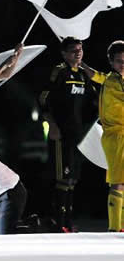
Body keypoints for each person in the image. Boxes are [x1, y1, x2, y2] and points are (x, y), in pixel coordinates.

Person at [38, 37, 99, 233]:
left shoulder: (83, 74)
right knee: (61, 178)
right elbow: (43, 99)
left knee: (72, 178)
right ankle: (58, 221)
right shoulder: (59, 71)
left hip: (77, 134)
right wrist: (51, 124)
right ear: (64, 53)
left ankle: (68, 220)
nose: (78, 53)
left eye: (80, 50)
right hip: (60, 133)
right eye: (73, 50)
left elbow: (95, 100)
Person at [79, 40, 124, 232]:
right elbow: (94, 75)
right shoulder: (109, 80)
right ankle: (115, 228)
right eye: (119, 61)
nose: (123, 64)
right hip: (115, 136)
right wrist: (81, 64)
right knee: (118, 181)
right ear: (111, 62)